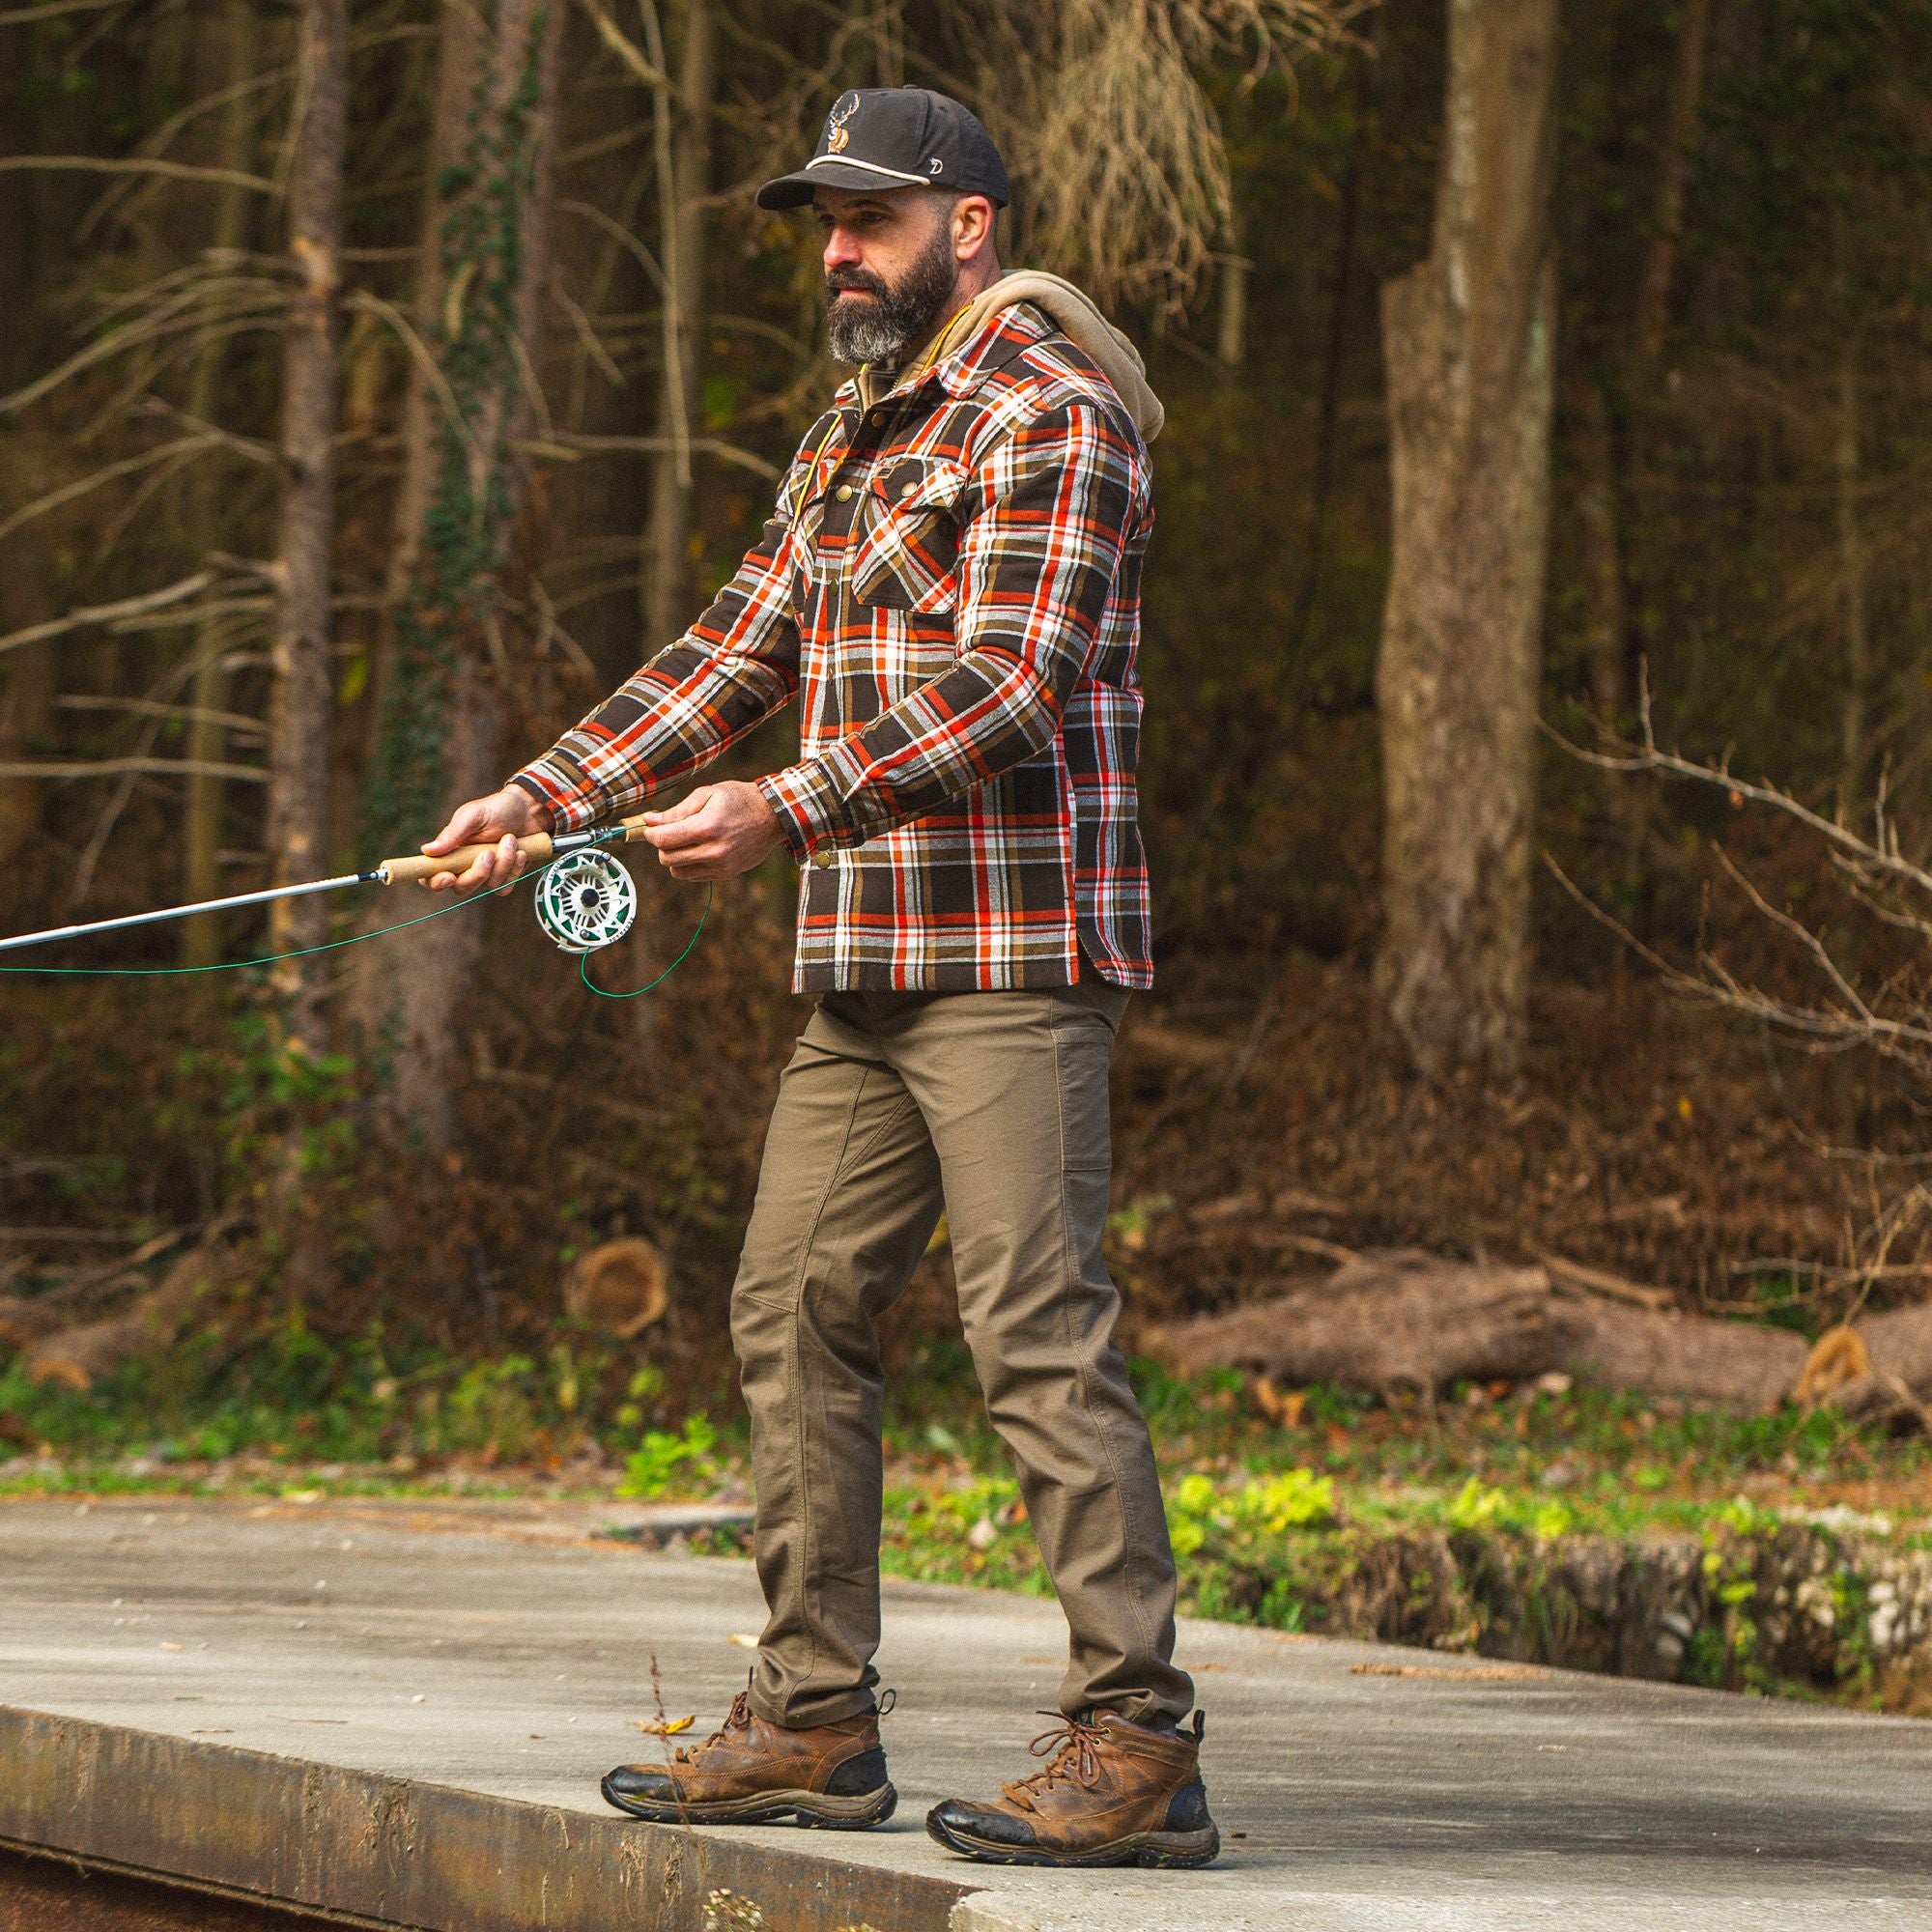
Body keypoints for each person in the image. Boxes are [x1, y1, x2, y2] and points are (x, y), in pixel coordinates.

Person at [420, 84, 1216, 1872]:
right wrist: (547, 793)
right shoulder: (856, 428)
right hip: (862, 961)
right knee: (788, 1311)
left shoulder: (1058, 418)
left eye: (868, 220)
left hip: (1011, 952)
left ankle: (1139, 1743)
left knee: (1033, 1332)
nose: (838, 254)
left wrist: (786, 805)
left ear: (972, 226)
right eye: (825, 226)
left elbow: (1018, 683)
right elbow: (736, 644)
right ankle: (813, 1717)